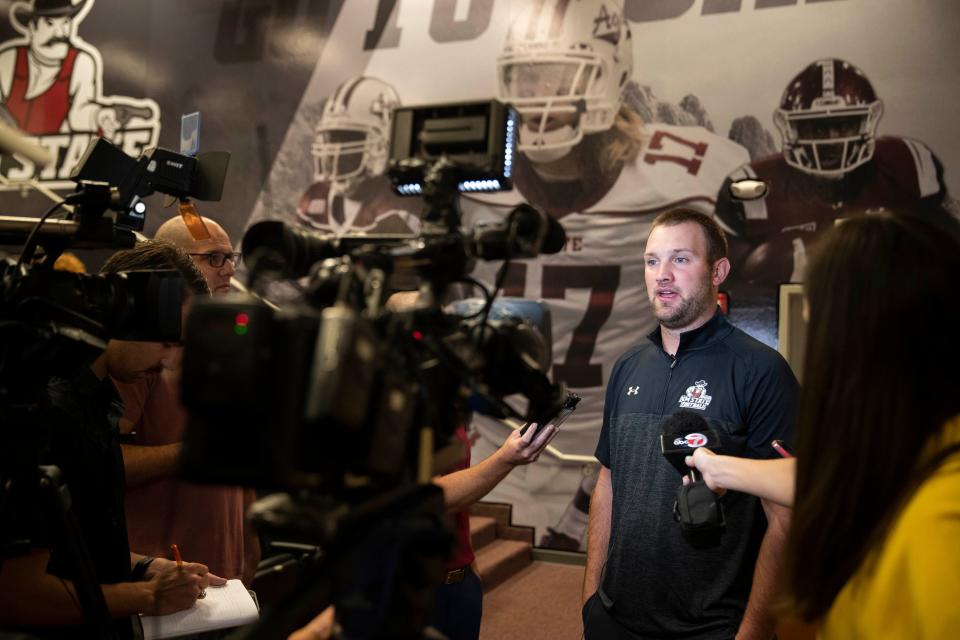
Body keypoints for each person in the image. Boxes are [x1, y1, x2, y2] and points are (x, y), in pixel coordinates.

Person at [459, 0, 752, 548]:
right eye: (527, 75)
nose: (542, 94)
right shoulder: (476, 181)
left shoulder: (683, 177)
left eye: (559, 73)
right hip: (500, 440)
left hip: (616, 438)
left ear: (610, 73)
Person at [686, 213, 960, 638]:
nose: (809, 315)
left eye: (817, 309)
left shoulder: (942, 522)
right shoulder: (912, 447)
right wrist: (719, 467)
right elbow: (840, 477)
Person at [583, 209, 797, 639]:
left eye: (680, 259)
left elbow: (784, 519)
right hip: (615, 618)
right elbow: (608, 482)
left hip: (713, 627)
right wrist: (591, 599)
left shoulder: (762, 370)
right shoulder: (627, 366)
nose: (662, 274)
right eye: (651, 261)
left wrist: (753, 631)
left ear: (718, 271)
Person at [0, 241, 224, 639]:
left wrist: (142, 566)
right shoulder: (46, 412)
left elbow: (76, 545)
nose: (168, 359)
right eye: (167, 341)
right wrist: (147, 595)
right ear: (126, 312)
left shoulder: (100, 401)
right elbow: (16, 592)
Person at [115, 214, 259, 584]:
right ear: (172, 265)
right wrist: (192, 452)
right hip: (155, 577)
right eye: (213, 257)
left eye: (230, 257)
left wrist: (249, 548)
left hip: (223, 580)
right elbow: (98, 462)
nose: (228, 269)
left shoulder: (227, 346)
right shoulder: (139, 352)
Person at [295, 75, 421, 239]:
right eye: (333, 138)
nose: (336, 154)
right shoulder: (316, 197)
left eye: (349, 138)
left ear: (384, 145)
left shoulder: (398, 202)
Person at [0, 0, 120, 136]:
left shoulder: (81, 63)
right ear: (32, 27)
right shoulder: (9, 59)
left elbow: (79, 114)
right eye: (50, 23)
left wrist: (99, 116)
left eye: (65, 22)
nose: (60, 32)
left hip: (46, 155)